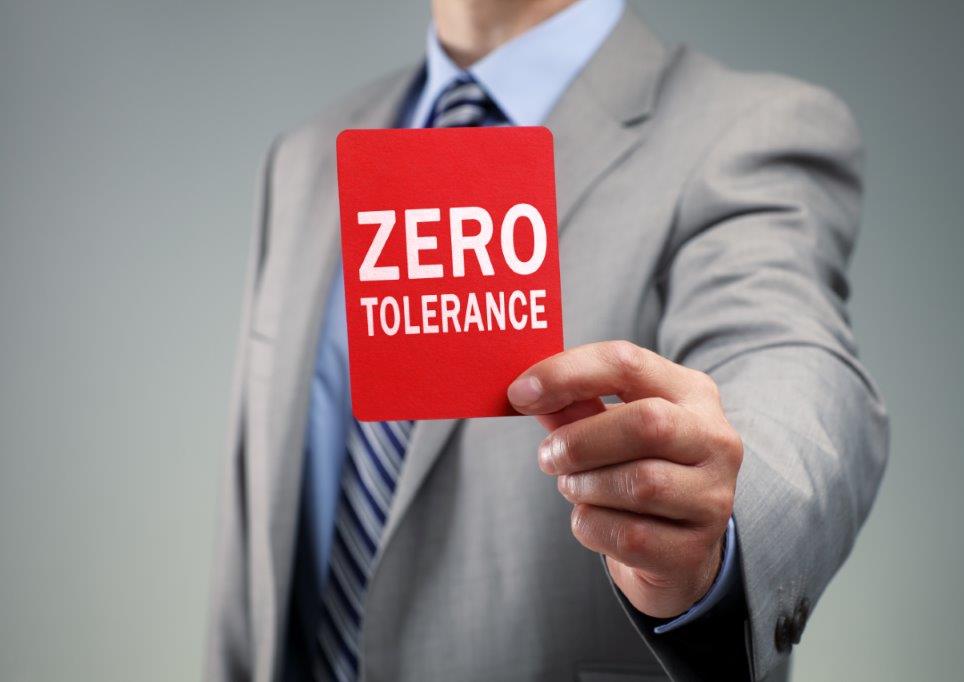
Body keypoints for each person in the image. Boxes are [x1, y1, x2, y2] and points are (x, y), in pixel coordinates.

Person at [204, 0, 889, 680]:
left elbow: (793, 367)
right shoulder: (303, 160)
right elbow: (256, 566)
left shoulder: (744, 131)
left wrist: (722, 509)